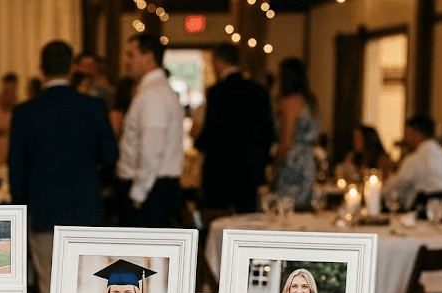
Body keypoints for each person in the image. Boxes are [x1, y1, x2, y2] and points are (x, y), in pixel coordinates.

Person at [9, 40, 118, 293]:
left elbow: (17, 171)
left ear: (40, 67)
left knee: (50, 285)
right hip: (87, 207)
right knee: (91, 285)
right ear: (72, 68)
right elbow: (110, 156)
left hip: (45, 210)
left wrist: (22, 210)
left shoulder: (25, 112)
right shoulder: (93, 107)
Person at [194, 43, 275, 214]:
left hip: (220, 170)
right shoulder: (258, 90)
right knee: (246, 221)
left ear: (218, 61)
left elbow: (211, 131)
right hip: (249, 171)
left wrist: (198, 143)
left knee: (217, 219)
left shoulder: (217, 92)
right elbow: (268, 132)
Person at [118, 33, 184, 228]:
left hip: (150, 190)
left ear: (148, 57)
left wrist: (138, 193)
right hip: (152, 187)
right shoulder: (153, 89)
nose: (126, 61)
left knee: (140, 257)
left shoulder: (154, 93)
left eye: (130, 55)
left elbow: (152, 148)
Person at [273, 57, 321, 210]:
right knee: (302, 208)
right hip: (308, 162)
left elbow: (286, 142)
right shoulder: (310, 102)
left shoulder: (290, 102)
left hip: (292, 163)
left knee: (286, 207)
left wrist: (275, 168)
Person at [385, 115, 442, 210]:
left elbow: (394, 188)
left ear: (414, 132)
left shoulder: (415, 159)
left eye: (407, 132)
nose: (405, 136)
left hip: (417, 213)